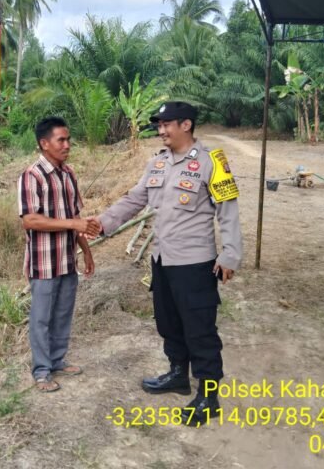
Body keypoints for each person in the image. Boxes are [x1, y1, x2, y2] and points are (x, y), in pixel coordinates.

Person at [93, 102, 242, 424]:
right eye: (158, 125)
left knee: (200, 329)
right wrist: (103, 222)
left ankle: (208, 395)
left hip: (195, 262)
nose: (161, 131)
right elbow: (135, 199)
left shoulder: (211, 162)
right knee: (168, 322)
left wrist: (230, 254)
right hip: (162, 259)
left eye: (166, 124)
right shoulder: (157, 163)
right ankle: (177, 374)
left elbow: (227, 210)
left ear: (186, 124)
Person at [18, 116, 101, 393]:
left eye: (68, 139)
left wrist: (86, 251)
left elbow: (75, 216)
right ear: (44, 144)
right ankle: (41, 371)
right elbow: (30, 220)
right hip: (43, 262)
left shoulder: (69, 174)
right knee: (41, 318)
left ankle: (57, 359)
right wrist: (73, 224)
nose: (67, 145)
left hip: (67, 259)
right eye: (61, 140)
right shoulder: (32, 176)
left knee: (63, 313)